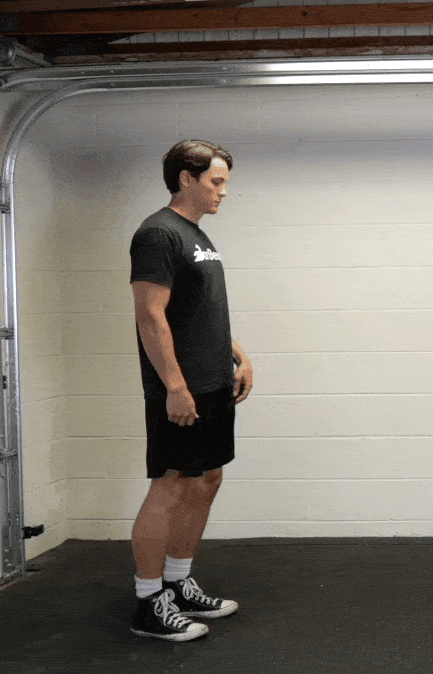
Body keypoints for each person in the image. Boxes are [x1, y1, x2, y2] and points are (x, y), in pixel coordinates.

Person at [127, 140, 253, 642]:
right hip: (182, 389)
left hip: (213, 381)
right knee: (172, 484)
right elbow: (150, 315)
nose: (223, 191)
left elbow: (199, 308)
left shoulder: (194, 234)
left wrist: (237, 354)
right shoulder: (158, 233)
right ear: (185, 178)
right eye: (215, 181)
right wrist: (175, 387)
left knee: (207, 480)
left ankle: (177, 584)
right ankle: (147, 602)